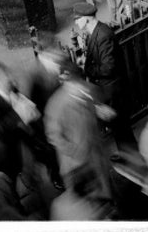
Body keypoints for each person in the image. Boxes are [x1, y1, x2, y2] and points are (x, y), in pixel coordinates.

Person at [44, 60, 115, 199]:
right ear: (64, 83)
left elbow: (94, 106)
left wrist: (100, 110)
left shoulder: (89, 90)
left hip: (96, 155)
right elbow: (53, 135)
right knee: (87, 203)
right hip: (76, 166)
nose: (78, 87)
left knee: (106, 194)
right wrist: (75, 151)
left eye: (78, 82)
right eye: (71, 84)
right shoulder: (56, 104)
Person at [72, 2, 138, 151]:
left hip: (114, 92)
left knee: (122, 131)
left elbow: (108, 67)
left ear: (87, 19)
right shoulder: (94, 32)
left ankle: (134, 160)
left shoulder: (103, 35)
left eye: (78, 19)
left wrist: (87, 68)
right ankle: (129, 157)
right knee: (120, 131)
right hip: (109, 92)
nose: (76, 22)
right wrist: (86, 61)